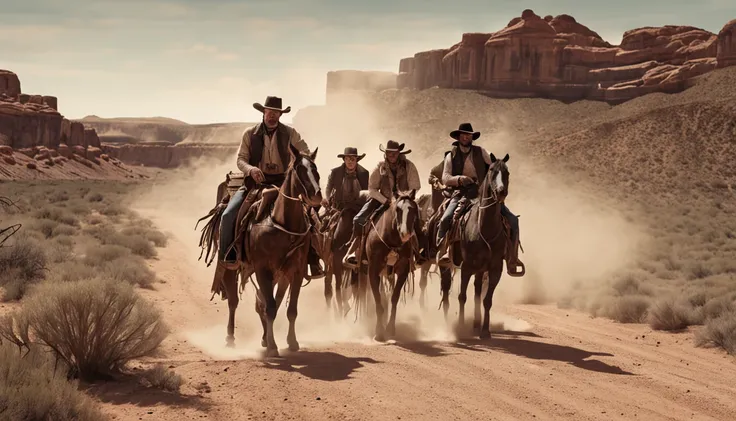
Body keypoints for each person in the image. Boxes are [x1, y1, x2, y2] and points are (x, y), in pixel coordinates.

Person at [219, 95, 324, 278]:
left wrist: (302, 161)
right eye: (269, 112)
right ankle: (229, 255)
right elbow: (241, 159)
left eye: (276, 113)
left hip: (282, 183)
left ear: (280, 115)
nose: (272, 116)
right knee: (229, 215)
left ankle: (312, 259)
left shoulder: (291, 134)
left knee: (311, 217)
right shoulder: (250, 134)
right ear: (264, 113)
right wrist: (251, 170)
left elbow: (305, 153)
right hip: (255, 183)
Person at [435, 123, 521, 270]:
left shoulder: (481, 152)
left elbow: (493, 165)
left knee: (512, 220)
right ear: (458, 137)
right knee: (445, 218)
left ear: (472, 138)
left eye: (468, 135)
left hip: (483, 195)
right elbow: (445, 177)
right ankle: (444, 252)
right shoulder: (451, 155)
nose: (465, 137)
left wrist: (499, 176)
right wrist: (460, 179)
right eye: (462, 135)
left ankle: (512, 257)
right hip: (460, 193)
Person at [343, 140, 421, 266]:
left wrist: (403, 197)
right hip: (382, 199)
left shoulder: (409, 166)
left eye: (394, 153)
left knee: (418, 218)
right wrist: (386, 201)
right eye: (389, 153)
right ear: (385, 153)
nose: (392, 155)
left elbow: (415, 186)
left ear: (398, 153)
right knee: (358, 219)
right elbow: (372, 188)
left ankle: (420, 252)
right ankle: (356, 251)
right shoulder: (380, 167)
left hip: (403, 200)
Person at [323, 147, 369, 212]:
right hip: (338, 207)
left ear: (356, 160)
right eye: (347, 159)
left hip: (359, 208)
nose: (350, 161)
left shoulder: (364, 173)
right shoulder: (335, 172)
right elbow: (328, 188)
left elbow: (367, 191)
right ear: (344, 160)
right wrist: (328, 201)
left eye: (352, 159)